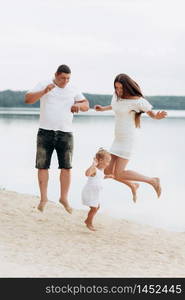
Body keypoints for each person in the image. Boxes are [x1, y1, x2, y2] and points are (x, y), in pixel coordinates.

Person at [24, 64, 89, 213]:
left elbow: (86, 104)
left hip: (65, 133)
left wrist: (78, 105)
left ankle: (64, 198)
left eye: (68, 78)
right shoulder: (44, 83)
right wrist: (44, 91)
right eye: (62, 78)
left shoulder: (73, 88)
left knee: (66, 167)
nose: (65, 81)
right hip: (45, 132)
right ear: (56, 75)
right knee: (42, 166)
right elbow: (28, 99)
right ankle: (43, 198)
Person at [94, 73, 167, 202]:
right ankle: (133, 185)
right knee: (108, 171)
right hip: (117, 139)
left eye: (121, 88)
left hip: (128, 139)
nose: (118, 91)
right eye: (116, 88)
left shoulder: (137, 101)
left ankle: (152, 181)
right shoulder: (116, 96)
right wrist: (102, 109)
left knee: (119, 173)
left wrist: (157, 116)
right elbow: (116, 106)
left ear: (128, 87)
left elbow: (151, 113)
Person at [82, 148, 113, 231]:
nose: (108, 164)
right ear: (101, 160)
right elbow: (87, 173)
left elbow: (100, 177)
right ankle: (89, 222)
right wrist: (93, 164)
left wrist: (107, 176)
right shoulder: (94, 169)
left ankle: (88, 220)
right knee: (94, 208)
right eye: (107, 161)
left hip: (95, 193)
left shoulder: (101, 170)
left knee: (96, 207)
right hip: (90, 192)